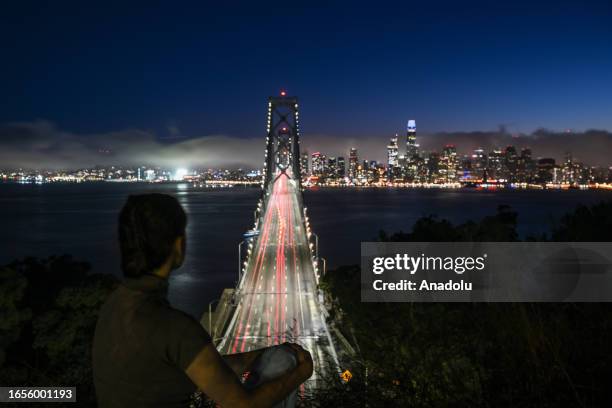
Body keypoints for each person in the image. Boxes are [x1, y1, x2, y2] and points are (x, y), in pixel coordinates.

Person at [93, 193, 313, 407]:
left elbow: (203, 367)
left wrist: (259, 353)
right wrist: (302, 372)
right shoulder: (175, 328)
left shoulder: (112, 306)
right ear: (178, 246)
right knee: (284, 361)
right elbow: (242, 404)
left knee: (276, 354)